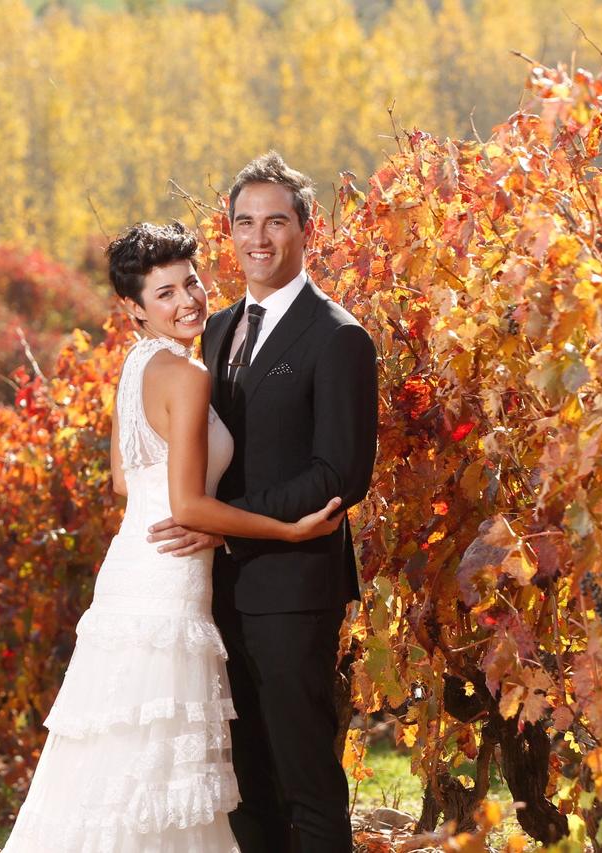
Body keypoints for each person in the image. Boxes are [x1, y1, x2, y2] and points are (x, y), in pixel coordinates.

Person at [2, 220, 344, 852]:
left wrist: (195, 516)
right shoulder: (187, 378)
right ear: (133, 309)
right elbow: (186, 500)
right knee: (156, 773)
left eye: (192, 282)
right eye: (166, 294)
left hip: (134, 567)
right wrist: (286, 530)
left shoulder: (137, 368)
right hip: (166, 585)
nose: (189, 301)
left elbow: (125, 483)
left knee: (119, 766)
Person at [148, 152, 379, 853]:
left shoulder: (339, 336)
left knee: (304, 777)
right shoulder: (214, 330)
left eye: (276, 220)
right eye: (244, 221)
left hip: (292, 587)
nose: (258, 237)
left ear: (306, 229)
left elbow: (340, 472)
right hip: (211, 592)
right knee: (242, 783)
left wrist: (230, 526)